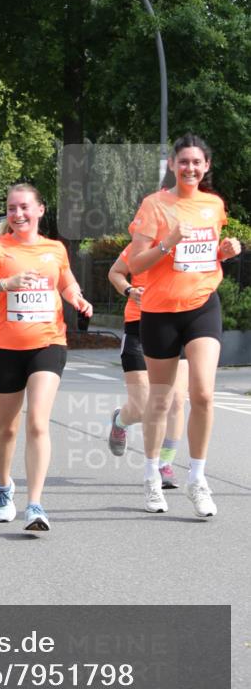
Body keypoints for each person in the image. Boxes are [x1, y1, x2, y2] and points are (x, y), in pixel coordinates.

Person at [0, 183, 92, 531]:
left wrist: (77, 298)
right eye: (12, 208)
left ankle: (35, 505)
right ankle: (4, 487)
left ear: (40, 210)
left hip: (48, 343)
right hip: (3, 348)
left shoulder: (55, 249)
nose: (17, 214)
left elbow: (65, 282)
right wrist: (5, 284)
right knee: (7, 428)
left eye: (24, 207)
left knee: (37, 422)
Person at [128, 133, 241, 517]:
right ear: (172, 166)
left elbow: (209, 255)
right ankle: (150, 477)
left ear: (206, 166)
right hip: (160, 312)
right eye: (183, 162)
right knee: (159, 401)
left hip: (202, 305)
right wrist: (168, 242)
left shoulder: (213, 205)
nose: (190, 168)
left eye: (197, 162)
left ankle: (197, 478)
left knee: (204, 395)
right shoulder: (154, 206)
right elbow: (135, 265)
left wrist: (224, 252)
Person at [108, 245, 189, 489]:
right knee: (144, 406)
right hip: (138, 327)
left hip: (174, 326)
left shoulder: (185, 245)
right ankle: (120, 421)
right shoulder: (139, 246)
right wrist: (129, 290)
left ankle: (164, 465)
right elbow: (115, 273)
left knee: (175, 401)